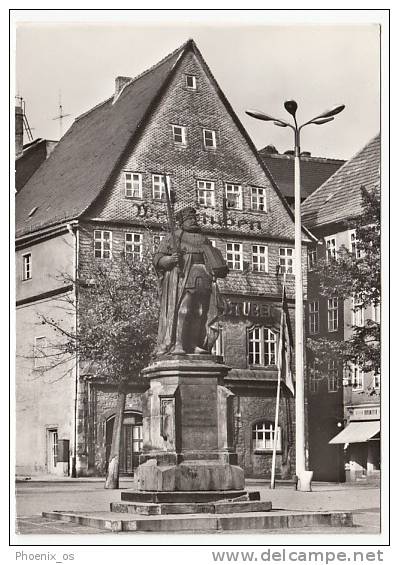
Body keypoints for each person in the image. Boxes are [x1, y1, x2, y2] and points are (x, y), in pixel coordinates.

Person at [153, 206, 229, 355]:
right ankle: (179, 344)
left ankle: (194, 344)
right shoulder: (174, 237)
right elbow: (157, 259)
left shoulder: (203, 238)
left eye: (194, 218)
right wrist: (169, 259)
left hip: (203, 276)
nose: (194, 221)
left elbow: (213, 258)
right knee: (184, 309)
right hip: (183, 277)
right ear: (182, 222)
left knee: (200, 312)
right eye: (189, 219)